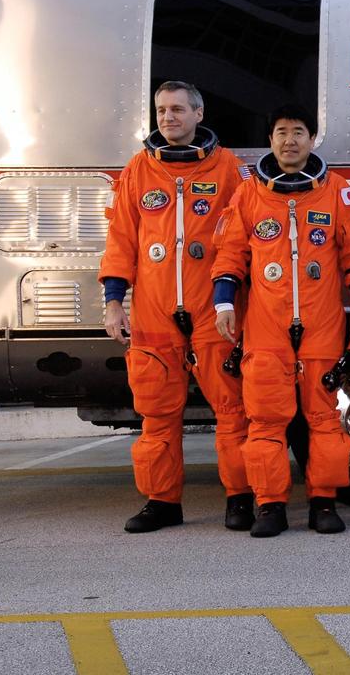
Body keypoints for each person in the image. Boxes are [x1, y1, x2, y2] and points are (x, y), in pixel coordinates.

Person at [211, 106, 350, 537]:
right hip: (265, 328)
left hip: (321, 325)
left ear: (312, 139)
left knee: (324, 419)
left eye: (298, 132)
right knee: (265, 420)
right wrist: (224, 304)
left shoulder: (337, 192)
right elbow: (231, 255)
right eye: (281, 132)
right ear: (270, 140)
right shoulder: (249, 195)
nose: (290, 141)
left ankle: (323, 502)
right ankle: (270, 505)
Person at [101, 81, 253, 534]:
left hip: (214, 309)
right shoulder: (139, 170)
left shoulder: (227, 168)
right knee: (156, 412)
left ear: (199, 114)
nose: (168, 118)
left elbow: (244, 236)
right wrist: (113, 302)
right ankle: (162, 501)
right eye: (161, 110)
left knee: (233, 408)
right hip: (154, 311)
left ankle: (240, 497)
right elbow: (122, 240)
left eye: (178, 110)